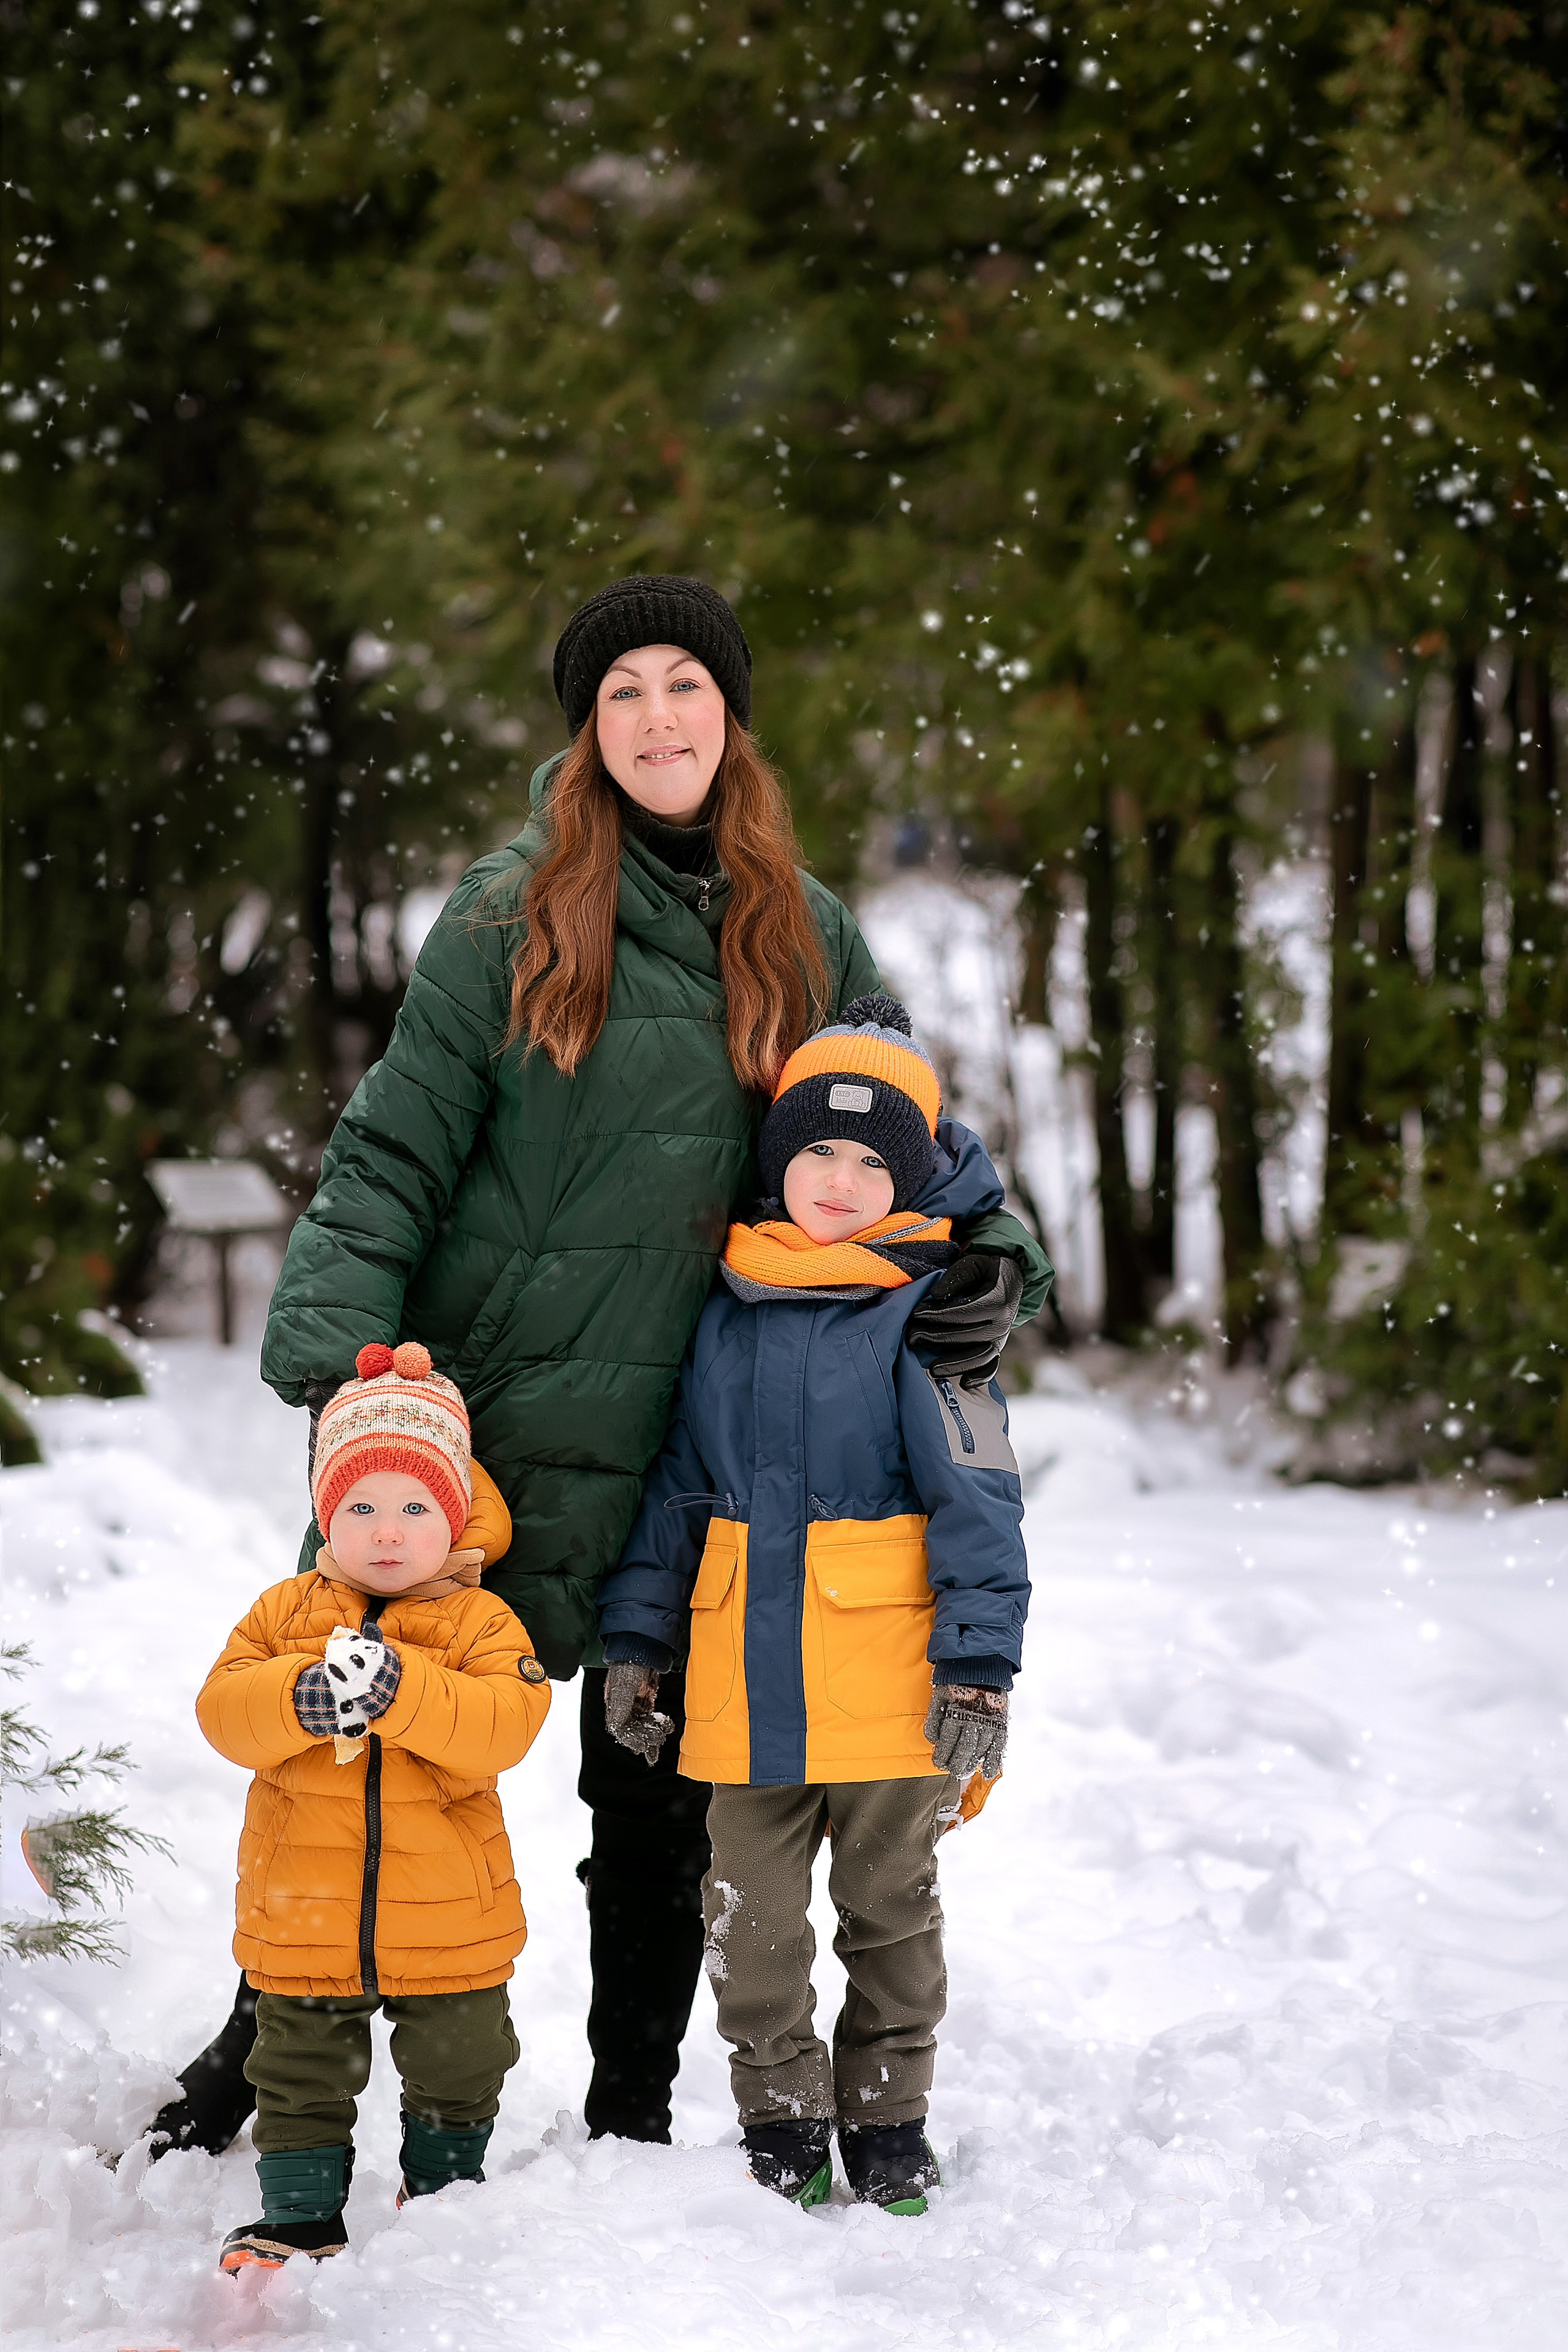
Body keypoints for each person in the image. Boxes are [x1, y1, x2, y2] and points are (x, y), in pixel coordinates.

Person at [150, 574, 1051, 2161]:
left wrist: (987, 1261)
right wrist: (332, 1357)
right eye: (623, 691)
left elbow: (907, 1127)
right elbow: (395, 1148)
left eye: (685, 687)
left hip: (698, 1416)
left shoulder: (806, 924)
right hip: (496, 1406)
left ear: (730, 717)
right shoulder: (509, 912)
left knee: (657, 1788)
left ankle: (629, 2112)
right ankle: (254, 2057)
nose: (657, 719)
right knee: (364, 1736)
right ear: (589, 729)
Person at [596, 995, 1028, 2215]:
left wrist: (977, 1667)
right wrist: (637, 1639)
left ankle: (886, 2117)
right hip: (745, 1679)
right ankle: (780, 2117)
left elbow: (980, 1501)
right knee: (751, 1921)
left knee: (889, 1914)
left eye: (868, 1160)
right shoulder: (722, 1303)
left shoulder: (938, 1315)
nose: (837, 1181)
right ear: (777, 1160)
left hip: (892, 1691)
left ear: (908, 1176)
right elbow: (677, 1491)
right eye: (814, 1152)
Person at [197, 1341, 552, 2269]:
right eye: (360, 1507)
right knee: (298, 2068)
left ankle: (442, 2190)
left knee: (463, 2060)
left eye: (413, 1507)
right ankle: (302, 2213)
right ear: (325, 1516)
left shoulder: (483, 1623)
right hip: (301, 1912)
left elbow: (504, 1726)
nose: (386, 1531)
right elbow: (224, 1710)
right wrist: (305, 1698)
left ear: (454, 1515)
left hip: (451, 1919)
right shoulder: (284, 1613)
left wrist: (403, 1694)